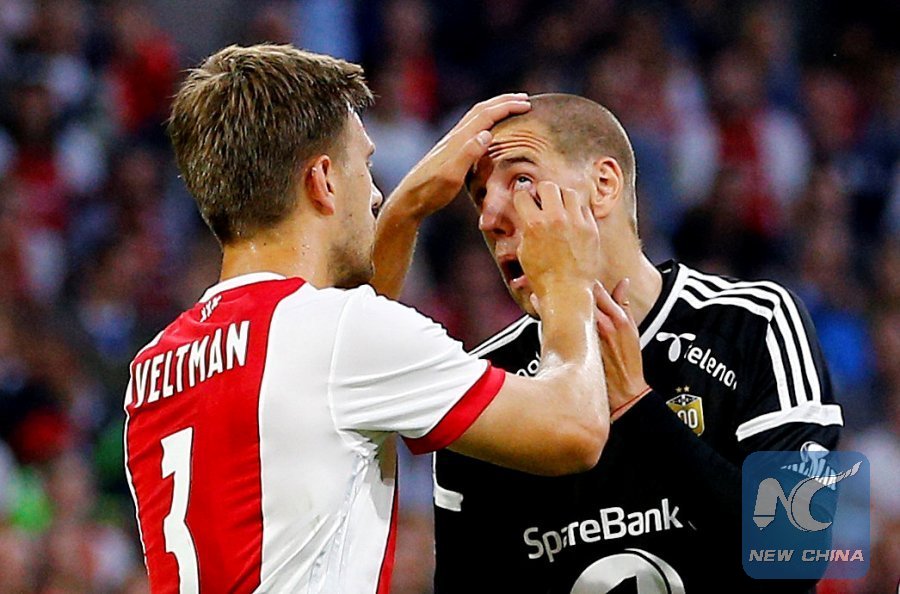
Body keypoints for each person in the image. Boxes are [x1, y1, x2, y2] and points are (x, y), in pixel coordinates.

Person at [122, 46, 640, 593]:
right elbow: (574, 429)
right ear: (323, 180)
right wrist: (565, 280)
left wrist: (409, 208)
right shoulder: (338, 335)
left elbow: (336, 365)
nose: (374, 194)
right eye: (365, 166)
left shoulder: (153, 367)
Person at [377, 93, 844, 592]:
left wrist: (637, 408)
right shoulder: (488, 382)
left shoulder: (754, 321)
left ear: (604, 185)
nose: (489, 217)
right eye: (478, 196)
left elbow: (795, 559)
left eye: (522, 180)